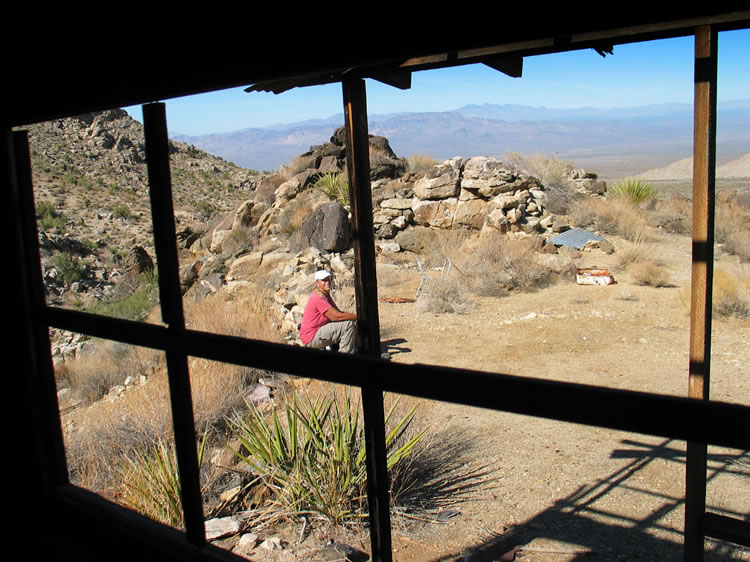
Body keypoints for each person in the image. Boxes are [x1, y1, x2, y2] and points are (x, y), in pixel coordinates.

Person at [300, 270, 357, 353]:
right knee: (348, 325)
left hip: (318, 331)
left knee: (351, 322)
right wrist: (359, 316)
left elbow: (339, 313)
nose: (327, 282)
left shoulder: (326, 295)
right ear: (317, 283)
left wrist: (353, 318)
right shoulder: (317, 298)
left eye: (328, 279)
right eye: (324, 280)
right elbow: (337, 316)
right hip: (311, 337)